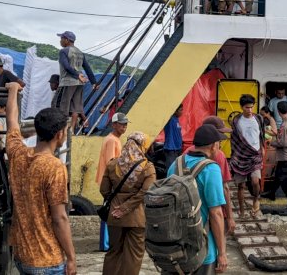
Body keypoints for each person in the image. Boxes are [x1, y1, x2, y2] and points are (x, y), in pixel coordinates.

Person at [4, 82, 76, 275]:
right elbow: (60, 218)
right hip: (47, 259)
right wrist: (71, 258)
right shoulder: (54, 167)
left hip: (22, 255)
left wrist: (12, 91)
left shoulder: (17, 154)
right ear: (60, 135)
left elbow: (11, 121)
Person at [167, 124, 229, 273]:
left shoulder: (176, 164)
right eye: (219, 144)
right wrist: (222, 253)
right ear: (214, 145)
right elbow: (216, 213)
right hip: (202, 249)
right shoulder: (211, 169)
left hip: (174, 246)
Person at [99, 132, 156, 275]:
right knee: (134, 255)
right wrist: (126, 208)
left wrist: (117, 203)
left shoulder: (112, 164)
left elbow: (104, 189)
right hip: (137, 217)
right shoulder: (147, 167)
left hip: (114, 215)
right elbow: (146, 193)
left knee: (114, 252)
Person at [188, 116, 236, 234]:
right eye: (219, 137)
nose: (220, 142)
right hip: (211, 214)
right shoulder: (218, 156)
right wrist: (229, 217)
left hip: (189, 214)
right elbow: (225, 189)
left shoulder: (185, 154)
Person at [53, 31, 99, 132]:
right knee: (75, 108)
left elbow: (67, 66)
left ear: (67, 40)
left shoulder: (63, 51)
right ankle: (72, 131)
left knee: (59, 106)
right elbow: (87, 68)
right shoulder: (80, 52)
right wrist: (93, 82)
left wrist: (77, 75)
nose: (60, 41)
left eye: (61, 39)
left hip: (68, 82)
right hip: (79, 83)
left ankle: (61, 131)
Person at [95, 112, 127, 252]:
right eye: (121, 124)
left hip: (109, 180)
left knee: (109, 210)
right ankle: (107, 243)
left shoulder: (113, 139)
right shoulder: (112, 140)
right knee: (109, 211)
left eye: (125, 124)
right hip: (110, 181)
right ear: (114, 125)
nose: (124, 127)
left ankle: (108, 242)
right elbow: (111, 163)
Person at [230, 94, 264, 218]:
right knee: (241, 185)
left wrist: (263, 148)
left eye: (251, 107)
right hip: (241, 156)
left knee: (255, 181)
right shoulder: (236, 120)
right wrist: (234, 155)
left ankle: (256, 199)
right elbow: (234, 138)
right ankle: (242, 211)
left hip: (255, 154)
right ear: (241, 107)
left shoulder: (259, 119)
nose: (249, 110)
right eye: (246, 108)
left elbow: (261, 134)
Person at [267, 101, 287, 216]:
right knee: (281, 177)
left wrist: (271, 142)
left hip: (285, 155)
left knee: (285, 180)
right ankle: (272, 194)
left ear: (279, 112)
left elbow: (282, 143)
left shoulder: (285, 125)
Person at [162, 104, 184, 170]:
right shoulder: (170, 119)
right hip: (171, 149)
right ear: (175, 111)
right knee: (171, 169)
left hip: (178, 148)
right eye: (181, 110)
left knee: (178, 169)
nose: (182, 112)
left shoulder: (176, 120)